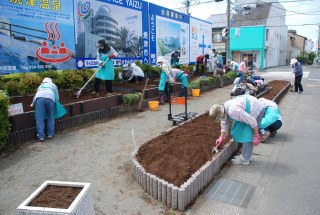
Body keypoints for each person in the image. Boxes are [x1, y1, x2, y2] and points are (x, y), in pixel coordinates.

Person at [209, 95, 265, 165]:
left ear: (222, 113)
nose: (221, 118)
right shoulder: (224, 108)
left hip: (256, 109)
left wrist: (256, 135)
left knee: (247, 133)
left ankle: (245, 159)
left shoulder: (233, 111)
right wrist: (221, 137)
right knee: (244, 131)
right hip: (249, 106)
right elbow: (224, 121)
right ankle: (246, 155)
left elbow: (252, 121)